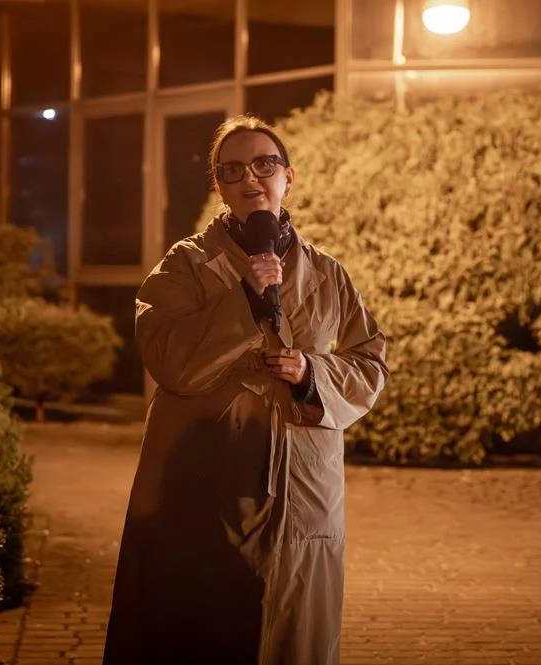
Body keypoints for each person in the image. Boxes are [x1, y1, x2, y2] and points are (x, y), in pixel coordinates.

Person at [102, 114, 388, 665]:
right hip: (206, 483)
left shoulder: (329, 274)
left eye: (264, 164)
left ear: (288, 177)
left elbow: (370, 364)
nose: (249, 178)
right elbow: (169, 360)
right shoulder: (184, 266)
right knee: (201, 632)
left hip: (303, 489)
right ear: (220, 186)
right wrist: (243, 303)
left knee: (293, 635)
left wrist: (310, 373)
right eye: (231, 170)